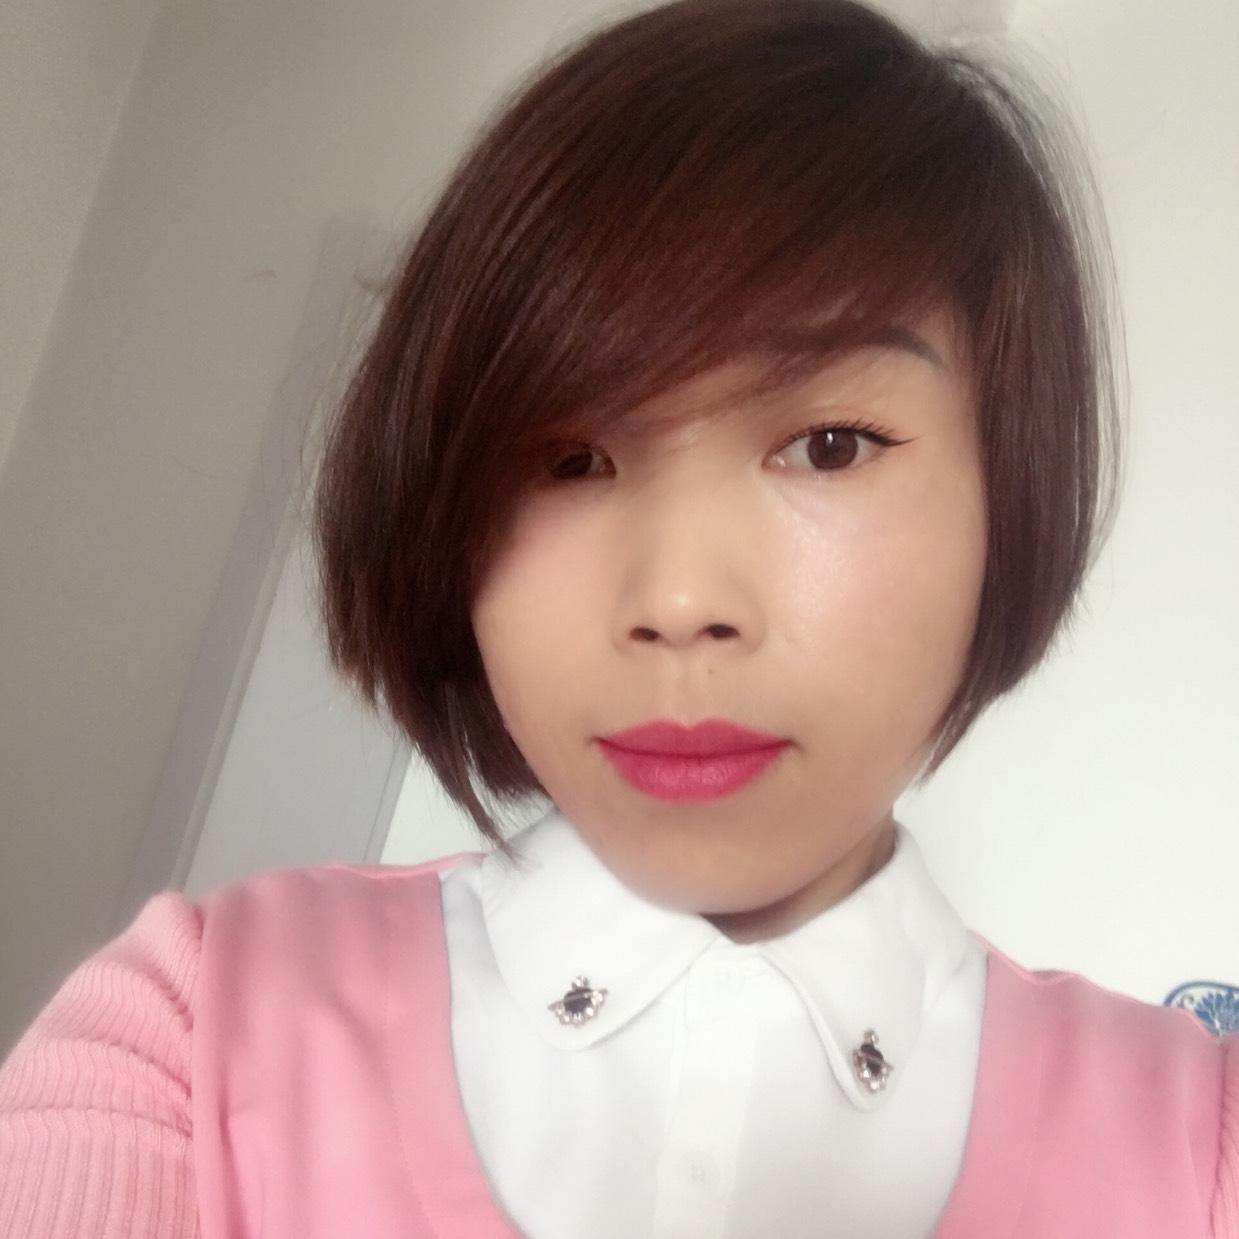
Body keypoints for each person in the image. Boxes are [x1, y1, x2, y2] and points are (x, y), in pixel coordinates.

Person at [2, 0, 1235, 1234]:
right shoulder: (187, 1030)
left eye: (829, 444)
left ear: (1010, 494)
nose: (680, 604)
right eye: (569, 461)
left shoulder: (1200, 1143)